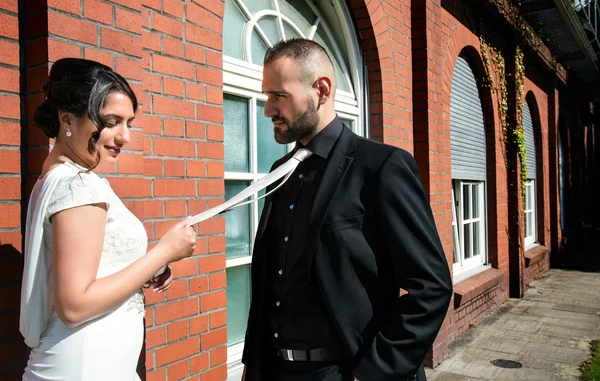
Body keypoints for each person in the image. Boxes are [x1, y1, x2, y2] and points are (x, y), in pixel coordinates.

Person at [240, 39, 453, 381]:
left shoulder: (381, 168)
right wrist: (253, 365)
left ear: (321, 90)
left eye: (278, 95)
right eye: (268, 96)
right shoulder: (281, 172)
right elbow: (270, 281)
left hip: (345, 372)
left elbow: (431, 287)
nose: (268, 109)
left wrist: (371, 374)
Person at [20, 58, 197, 380]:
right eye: (112, 121)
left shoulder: (57, 178)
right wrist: (164, 252)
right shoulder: (78, 184)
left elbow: (89, 268)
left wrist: (145, 266)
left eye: (128, 122)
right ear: (67, 119)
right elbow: (74, 306)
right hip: (84, 366)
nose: (125, 136)